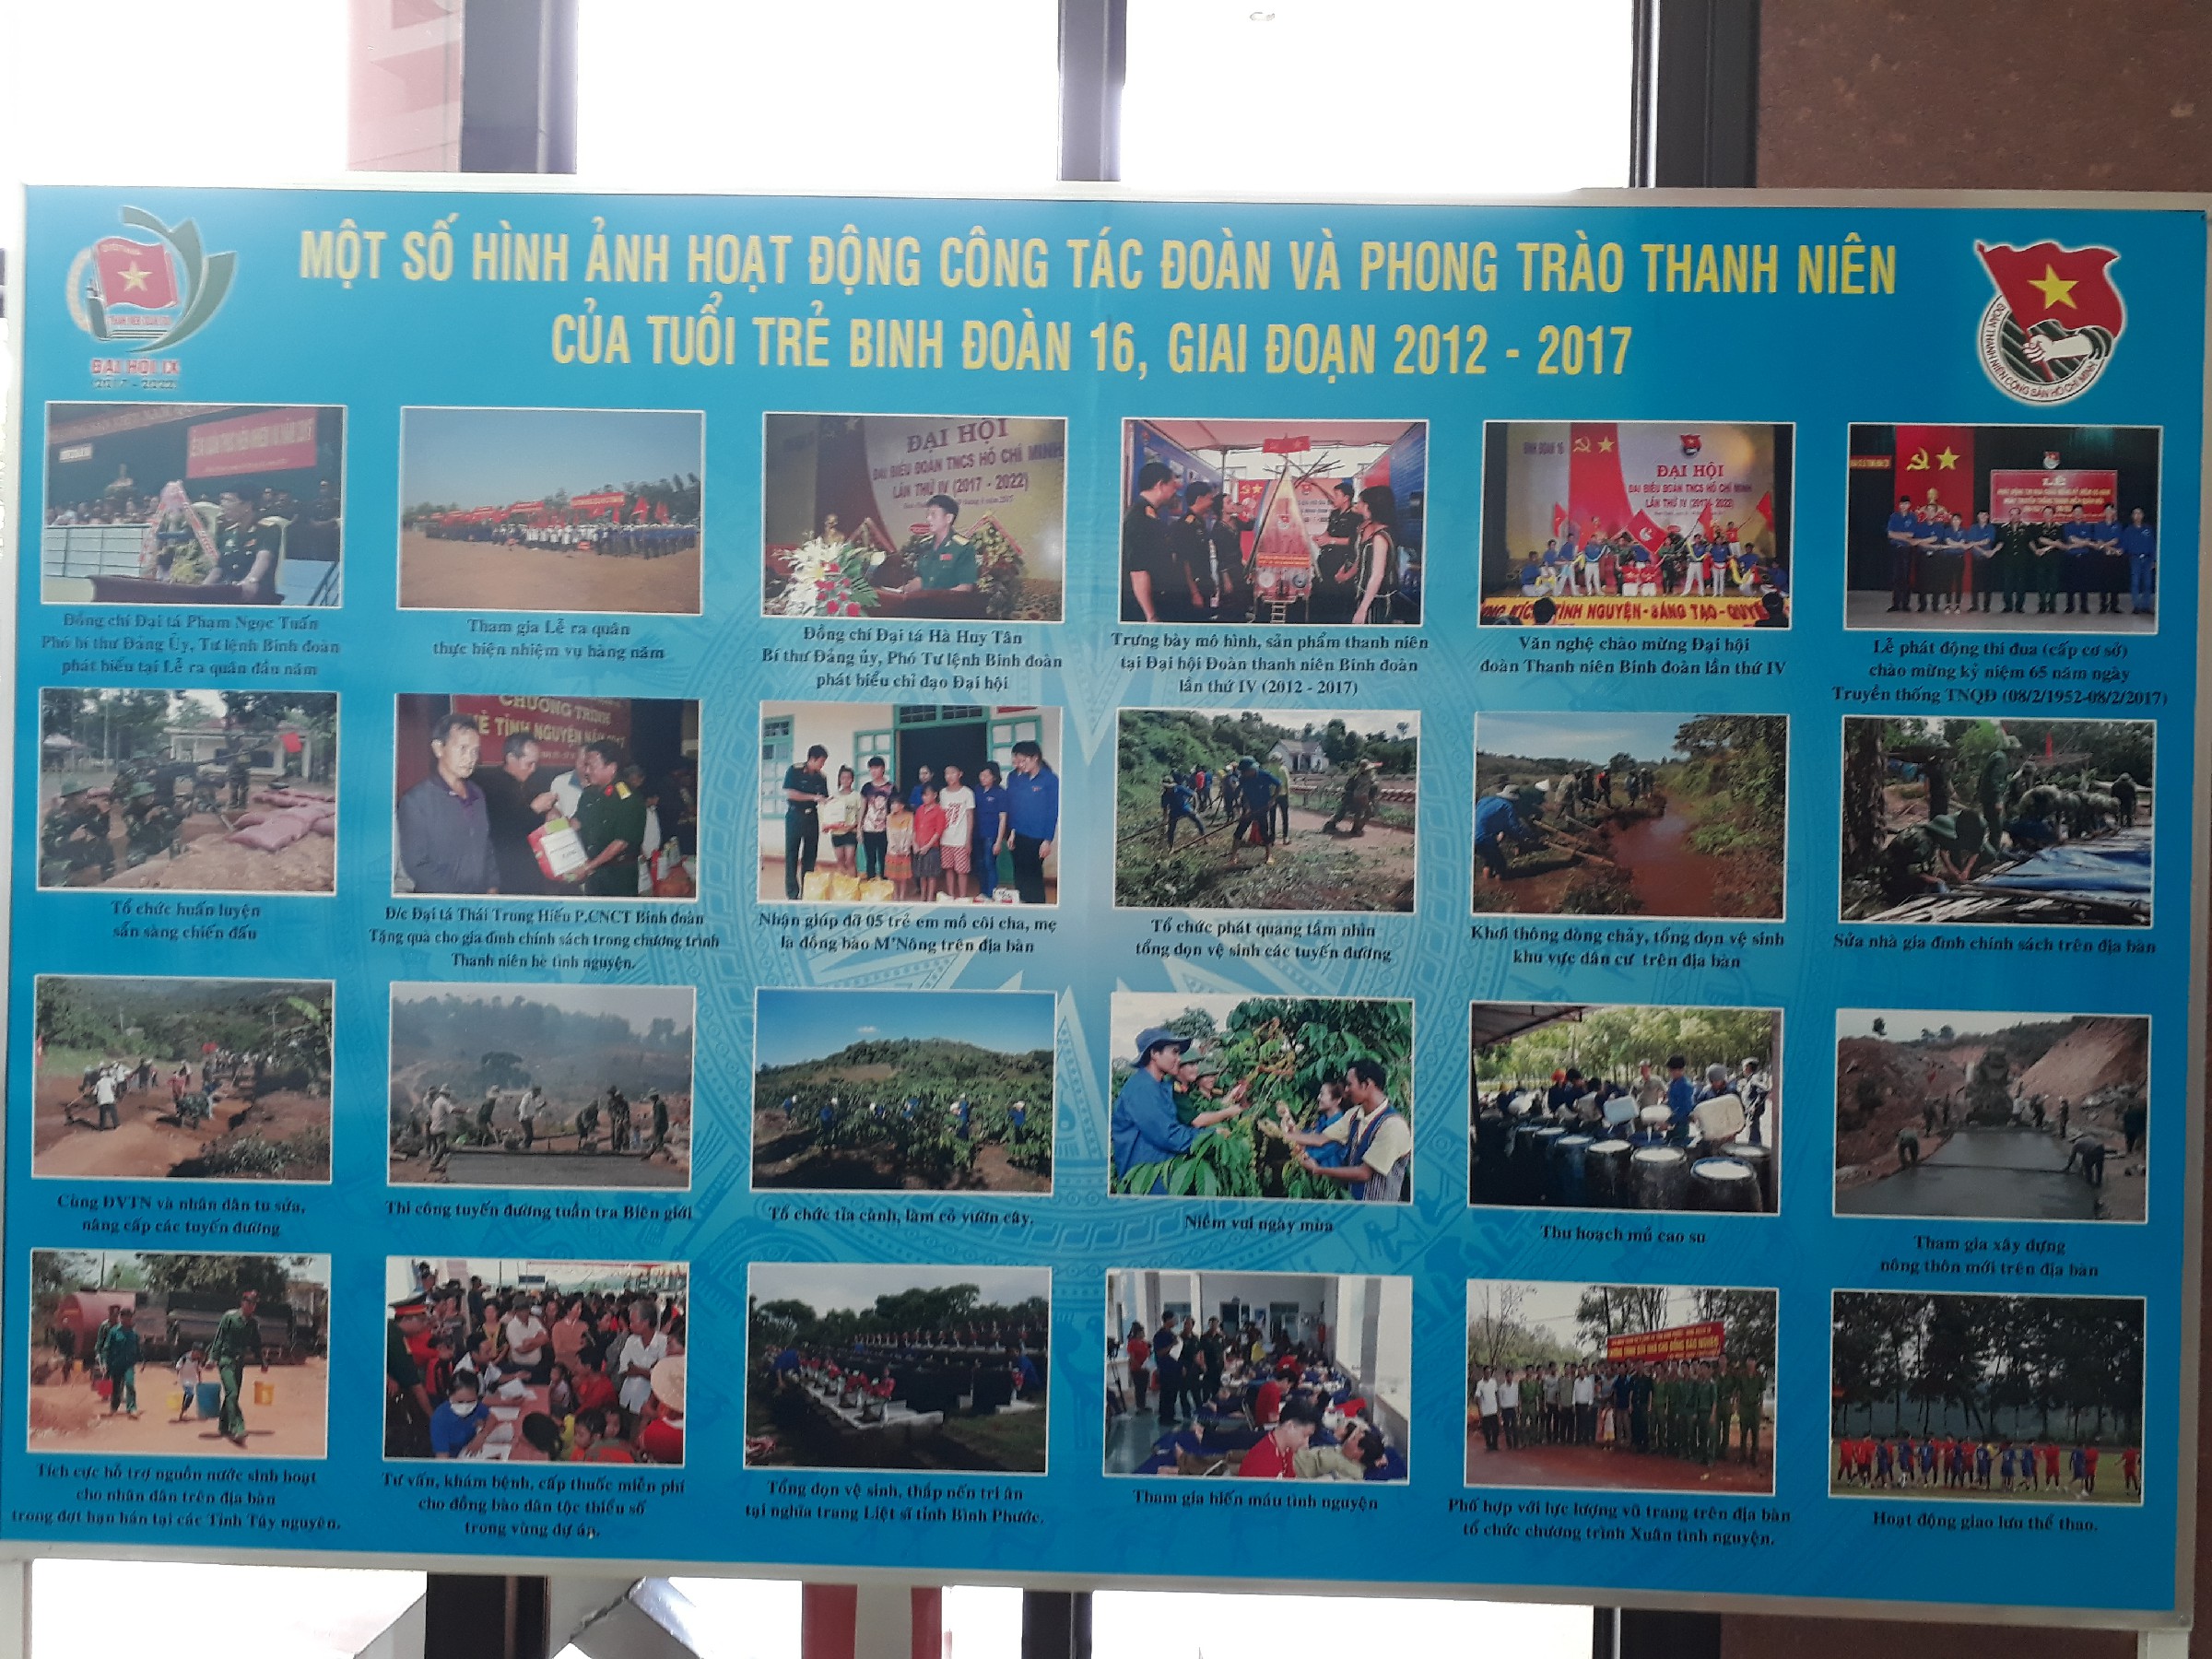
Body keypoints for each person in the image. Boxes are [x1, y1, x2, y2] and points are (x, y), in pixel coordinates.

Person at [1111, 1028, 1247, 1192]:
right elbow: (1169, 1135)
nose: (1179, 1058)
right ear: (1155, 1053)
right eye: (1174, 1052)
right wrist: (1211, 1134)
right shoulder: (1142, 1089)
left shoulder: (1159, 1087)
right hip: (1148, 1183)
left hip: (1164, 1175)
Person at [396, 712, 496, 894]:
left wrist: (492, 886)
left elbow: (486, 846)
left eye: (475, 751)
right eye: (463, 748)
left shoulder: (477, 794)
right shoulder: (416, 801)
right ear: (438, 749)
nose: (470, 758)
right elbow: (417, 865)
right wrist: (460, 898)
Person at [1295, 1058, 1411, 1202]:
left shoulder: (1393, 1126)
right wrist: (1280, 1133)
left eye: (1350, 1084)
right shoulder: (1355, 1114)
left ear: (1366, 1084)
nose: (1346, 1090)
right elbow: (1320, 1139)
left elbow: (1364, 1173)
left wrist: (1317, 1169)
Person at [476, 731, 557, 896]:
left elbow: (533, 821)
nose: (533, 769)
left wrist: (549, 813)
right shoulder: (490, 787)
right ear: (511, 759)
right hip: (507, 873)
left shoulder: (529, 783)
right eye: (529, 764)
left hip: (531, 868)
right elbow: (504, 832)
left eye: (536, 764)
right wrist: (534, 809)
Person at [565, 739, 648, 898]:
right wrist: (554, 827)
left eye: (591, 766)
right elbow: (577, 822)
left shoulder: (628, 798)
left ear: (611, 768)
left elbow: (621, 842)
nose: (586, 771)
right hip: (594, 873)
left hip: (619, 876)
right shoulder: (589, 794)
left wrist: (589, 867)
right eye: (586, 765)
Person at [1121, 461, 1182, 621]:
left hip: (1157, 600)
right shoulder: (1139, 518)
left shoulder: (1149, 514)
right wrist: (1151, 616)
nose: (1175, 491)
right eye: (1172, 485)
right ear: (1160, 485)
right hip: (1142, 611)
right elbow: (1138, 572)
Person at [209, 1288, 268, 1448]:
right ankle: (238, 1428)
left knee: (232, 1395)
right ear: (243, 1302)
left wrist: (262, 1361)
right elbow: (219, 1338)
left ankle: (223, 1426)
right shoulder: (229, 1317)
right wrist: (212, 1358)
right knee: (232, 1393)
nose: (252, 1306)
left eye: (254, 1304)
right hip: (225, 1360)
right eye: (249, 1302)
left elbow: (256, 1344)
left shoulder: (253, 1323)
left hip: (239, 1363)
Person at [1006, 740, 1058, 904]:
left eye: (1023, 760)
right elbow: (1014, 806)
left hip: (1037, 837)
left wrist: (1047, 840)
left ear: (1035, 758)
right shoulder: (1018, 778)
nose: (1020, 765)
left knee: (1033, 877)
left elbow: (1052, 812)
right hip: (1018, 834)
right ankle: (1022, 907)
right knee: (1020, 874)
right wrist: (1012, 832)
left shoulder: (1050, 779)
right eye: (1018, 761)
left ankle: (1038, 909)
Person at [779, 742, 830, 900]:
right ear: (812, 759)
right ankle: (792, 893)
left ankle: (808, 891)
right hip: (795, 816)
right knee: (792, 854)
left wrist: (832, 806)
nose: (822, 765)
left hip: (812, 818)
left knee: (810, 855)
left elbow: (824, 798)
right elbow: (790, 793)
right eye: (821, 761)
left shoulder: (821, 777)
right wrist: (813, 797)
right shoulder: (795, 770)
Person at [900, 495, 978, 598]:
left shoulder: (962, 548)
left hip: (948, 606)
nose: (928, 518)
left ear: (948, 518)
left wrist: (937, 598)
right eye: (928, 514)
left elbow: (966, 587)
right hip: (921, 604)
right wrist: (903, 590)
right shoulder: (925, 545)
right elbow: (920, 580)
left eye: (933, 514)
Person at [1236, 1396, 1321, 1478]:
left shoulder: (1287, 1450)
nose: (1306, 1444)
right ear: (1290, 1426)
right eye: (1305, 1435)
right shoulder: (1262, 1463)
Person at [1349, 485, 1398, 625]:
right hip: (1369, 596)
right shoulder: (1384, 531)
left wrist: (1363, 609)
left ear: (1370, 506)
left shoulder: (1380, 537)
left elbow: (1377, 575)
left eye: (1362, 503)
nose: (1359, 506)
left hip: (1376, 601)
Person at [429, 1371, 490, 1458]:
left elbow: (491, 1418)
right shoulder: (440, 1419)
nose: (465, 1406)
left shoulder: (477, 1407)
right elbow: (442, 1459)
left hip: (471, 1451)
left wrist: (482, 1435)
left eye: (470, 1402)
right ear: (449, 1395)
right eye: (460, 1402)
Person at [937, 762, 976, 900]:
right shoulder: (942, 793)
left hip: (961, 839)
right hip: (945, 838)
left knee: (962, 870)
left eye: (953, 773)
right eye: (947, 773)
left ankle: (963, 897)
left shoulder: (967, 793)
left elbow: (970, 817)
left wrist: (968, 840)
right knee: (948, 868)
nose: (950, 776)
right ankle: (951, 895)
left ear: (960, 774)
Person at [97, 1306, 142, 1418]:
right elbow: (104, 1345)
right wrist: (102, 1359)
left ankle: (132, 1408)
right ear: (121, 1318)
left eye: (130, 1318)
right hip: (115, 1363)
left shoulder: (133, 1334)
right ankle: (113, 1406)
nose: (128, 1320)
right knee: (116, 1387)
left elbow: (137, 1349)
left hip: (128, 1364)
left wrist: (141, 1360)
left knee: (130, 1384)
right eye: (126, 1318)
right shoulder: (110, 1330)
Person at [971, 761, 1008, 900]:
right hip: (977, 834)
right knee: (980, 864)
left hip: (991, 835)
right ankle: (983, 892)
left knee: (989, 864)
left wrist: (998, 841)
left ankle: (991, 894)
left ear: (994, 776)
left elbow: (1003, 818)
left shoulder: (1000, 793)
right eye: (981, 775)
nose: (983, 778)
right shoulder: (977, 790)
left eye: (986, 776)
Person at [857, 756, 896, 882]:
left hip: (885, 829)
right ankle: (871, 885)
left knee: (884, 859)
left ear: (883, 769)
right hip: (868, 828)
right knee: (870, 859)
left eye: (876, 768)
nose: (873, 771)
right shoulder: (866, 787)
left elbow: (894, 809)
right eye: (871, 768)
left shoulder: (891, 787)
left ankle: (884, 886)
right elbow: (862, 808)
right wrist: (859, 828)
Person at [912, 782, 947, 903]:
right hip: (919, 846)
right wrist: (915, 844)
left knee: (931, 874)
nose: (925, 798)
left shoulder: (939, 811)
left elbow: (938, 832)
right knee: (922, 874)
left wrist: (928, 846)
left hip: (932, 847)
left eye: (927, 795)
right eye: (923, 795)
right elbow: (915, 828)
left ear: (935, 795)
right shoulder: (920, 810)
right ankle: (923, 896)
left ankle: (931, 897)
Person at [823, 764, 860, 877]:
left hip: (851, 832)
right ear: (839, 779)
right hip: (836, 832)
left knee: (850, 860)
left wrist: (853, 826)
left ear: (852, 779)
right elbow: (828, 813)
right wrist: (827, 825)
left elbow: (860, 815)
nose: (846, 780)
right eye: (843, 778)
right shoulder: (834, 796)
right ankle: (843, 884)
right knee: (840, 860)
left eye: (848, 778)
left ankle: (853, 884)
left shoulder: (857, 795)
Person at [2121, 506, 2156, 615]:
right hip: (2135, 559)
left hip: (2147, 559)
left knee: (2148, 583)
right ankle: (2136, 606)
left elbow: (2153, 545)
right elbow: (2124, 546)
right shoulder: (2128, 530)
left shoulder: (2148, 529)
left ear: (2143, 515)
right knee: (2135, 583)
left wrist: (2154, 560)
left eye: (2139, 513)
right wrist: (2117, 551)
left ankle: (2146, 606)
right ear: (2132, 516)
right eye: (2135, 514)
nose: (2137, 516)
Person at [1160, 772, 1206, 848]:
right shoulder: (1164, 796)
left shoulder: (1180, 788)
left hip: (1184, 807)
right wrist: (1165, 821)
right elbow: (1165, 809)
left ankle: (1204, 838)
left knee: (1198, 820)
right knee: (1171, 829)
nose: (1169, 789)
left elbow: (1194, 794)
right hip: (1174, 811)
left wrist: (1195, 809)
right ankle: (1171, 847)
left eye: (1170, 787)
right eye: (1167, 787)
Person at [884, 795, 915, 900]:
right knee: (892, 876)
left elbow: (910, 832)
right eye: (892, 804)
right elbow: (889, 834)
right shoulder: (889, 817)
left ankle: (902, 896)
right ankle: (895, 896)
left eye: (895, 803)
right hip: (892, 850)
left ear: (902, 806)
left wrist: (905, 847)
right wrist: (894, 847)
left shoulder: (909, 816)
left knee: (903, 877)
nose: (892, 806)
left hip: (904, 849)